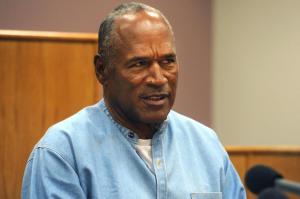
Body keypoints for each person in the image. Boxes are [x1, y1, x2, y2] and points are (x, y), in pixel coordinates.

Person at [22, 2, 246, 199]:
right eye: (140, 64)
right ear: (102, 70)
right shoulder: (61, 152)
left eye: (168, 61)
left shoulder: (206, 145)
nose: (158, 79)